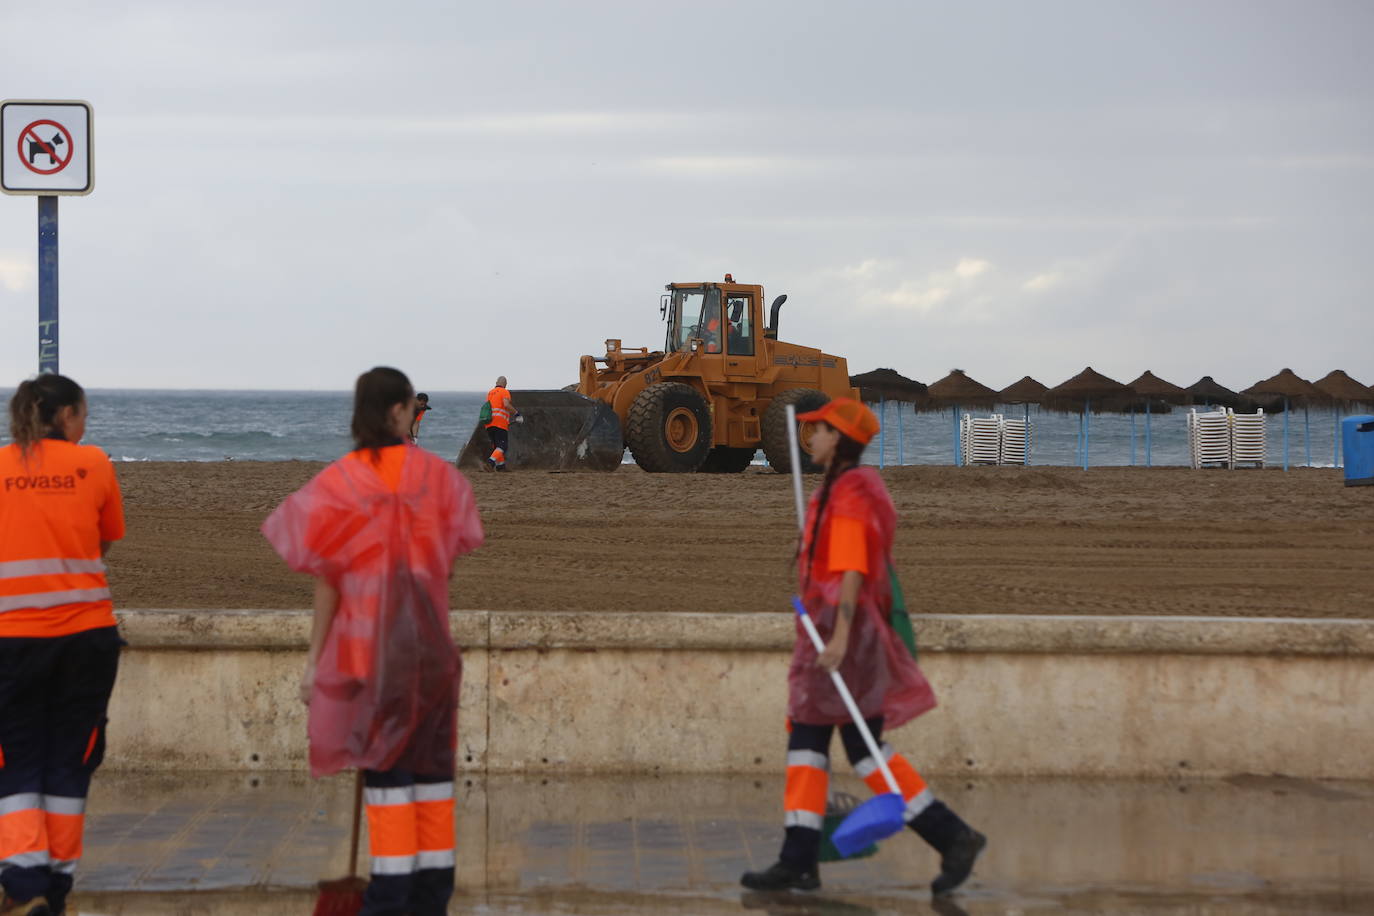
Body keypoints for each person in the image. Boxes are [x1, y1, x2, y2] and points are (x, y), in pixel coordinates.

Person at [740, 398, 986, 898]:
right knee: (812, 744)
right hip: (832, 633)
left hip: (843, 639)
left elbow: (852, 569)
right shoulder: (839, 490)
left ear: (841, 440)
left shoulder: (850, 493)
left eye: (821, 431)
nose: (811, 438)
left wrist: (841, 638)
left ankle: (952, 836)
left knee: (861, 750)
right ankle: (799, 859)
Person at [261, 367, 483, 916]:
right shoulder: (441, 480)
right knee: (431, 785)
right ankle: (430, 900)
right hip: (430, 658)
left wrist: (315, 664)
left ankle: (388, 900)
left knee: (389, 789)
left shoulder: (340, 482)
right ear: (400, 411)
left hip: (370, 660)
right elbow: (448, 563)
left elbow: (328, 580)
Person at [0, 375, 125, 916]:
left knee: (17, 758)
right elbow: (105, 538)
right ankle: (56, 889)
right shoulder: (92, 463)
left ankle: (23, 879)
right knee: (71, 760)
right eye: (84, 414)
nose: (86, 424)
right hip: (86, 639)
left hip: (12, 641)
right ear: (67, 416)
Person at [483, 376, 522, 471]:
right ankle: (490, 462)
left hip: (488, 423)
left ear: (496, 382)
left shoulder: (490, 393)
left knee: (497, 446)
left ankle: (501, 466)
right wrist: (517, 414)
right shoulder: (504, 392)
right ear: (505, 384)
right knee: (503, 446)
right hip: (500, 423)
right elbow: (506, 404)